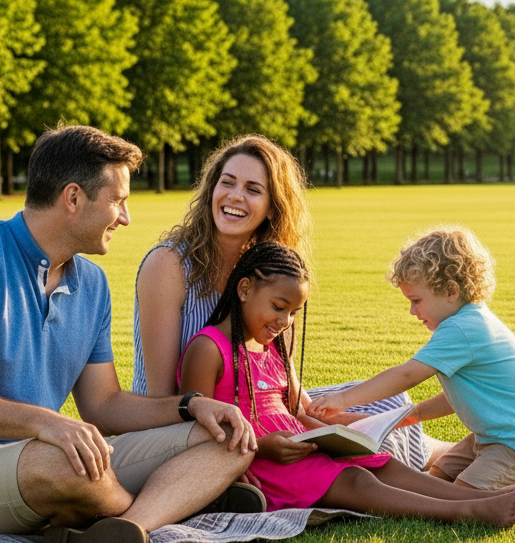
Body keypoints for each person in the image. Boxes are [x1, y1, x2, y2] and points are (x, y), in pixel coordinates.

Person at [0, 126, 260, 543]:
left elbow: (104, 406)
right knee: (61, 464)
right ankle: (170, 504)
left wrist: (192, 406)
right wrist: (46, 422)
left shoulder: (92, 283)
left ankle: (124, 526)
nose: (125, 216)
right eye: (118, 201)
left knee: (230, 440)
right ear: (73, 198)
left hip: (42, 456)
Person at [178, 241, 515, 526]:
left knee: (379, 461)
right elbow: (199, 431)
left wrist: (332, 434)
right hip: (259, 458)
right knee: (356, 480)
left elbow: (295, 412)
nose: (286, 321)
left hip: (294, 446)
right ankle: (469, 509)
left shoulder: (272, 348)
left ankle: (485, 499)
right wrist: (259, 450)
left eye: (294, 312)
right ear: (244, 290)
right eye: (279, 307)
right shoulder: (208, 349)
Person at [132, 135, 432, 470]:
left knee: (388, 406)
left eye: (253, 189)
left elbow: (287, 390)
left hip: (257, 405)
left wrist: (349, 425)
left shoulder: (270, 275)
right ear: (211, 190)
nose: (235, 196)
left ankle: (437, 458)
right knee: (360, 445)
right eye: (227, 182)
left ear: (274, 207)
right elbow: (162, 400)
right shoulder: (169, 265)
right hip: (188, 427)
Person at [311, 226, 515, 497]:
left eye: (416, 300)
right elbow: (460, 397)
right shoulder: (467, 322)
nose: (412, 311)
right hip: (494, 437)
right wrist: (410, 416)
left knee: (461, 496)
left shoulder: (463, 329)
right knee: (431, 479)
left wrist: (344, 398)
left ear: (450, 291)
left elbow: (407, 375)